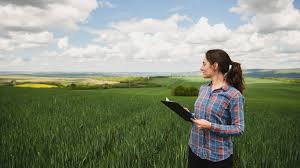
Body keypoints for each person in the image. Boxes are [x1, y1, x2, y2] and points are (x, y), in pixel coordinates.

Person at [187, 49, 245, 168]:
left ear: (215, 66)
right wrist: (189, 114)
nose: (201, 68)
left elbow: (239, 129)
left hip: (218, 158)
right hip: (195, 151)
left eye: (204, 64)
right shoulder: (203, 89)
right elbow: (202, 117)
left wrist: (210, 126)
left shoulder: (233, 95)